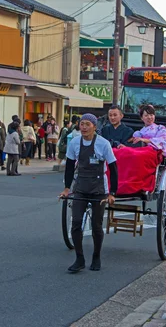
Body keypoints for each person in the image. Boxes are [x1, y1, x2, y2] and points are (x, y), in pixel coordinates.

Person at [59, 113, 118, 273]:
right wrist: (66, 188)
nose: (83, 127)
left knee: (96, 226)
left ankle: (96, 256)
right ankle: (79, 258)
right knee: (76, 222)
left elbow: (113, 168)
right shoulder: (75, 143)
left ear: (94, 127)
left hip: (99, 189)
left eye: (87, 124)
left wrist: (112, 193)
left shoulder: (103, 144)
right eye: (82, 124)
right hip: (80, 187)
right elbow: (70, 166)